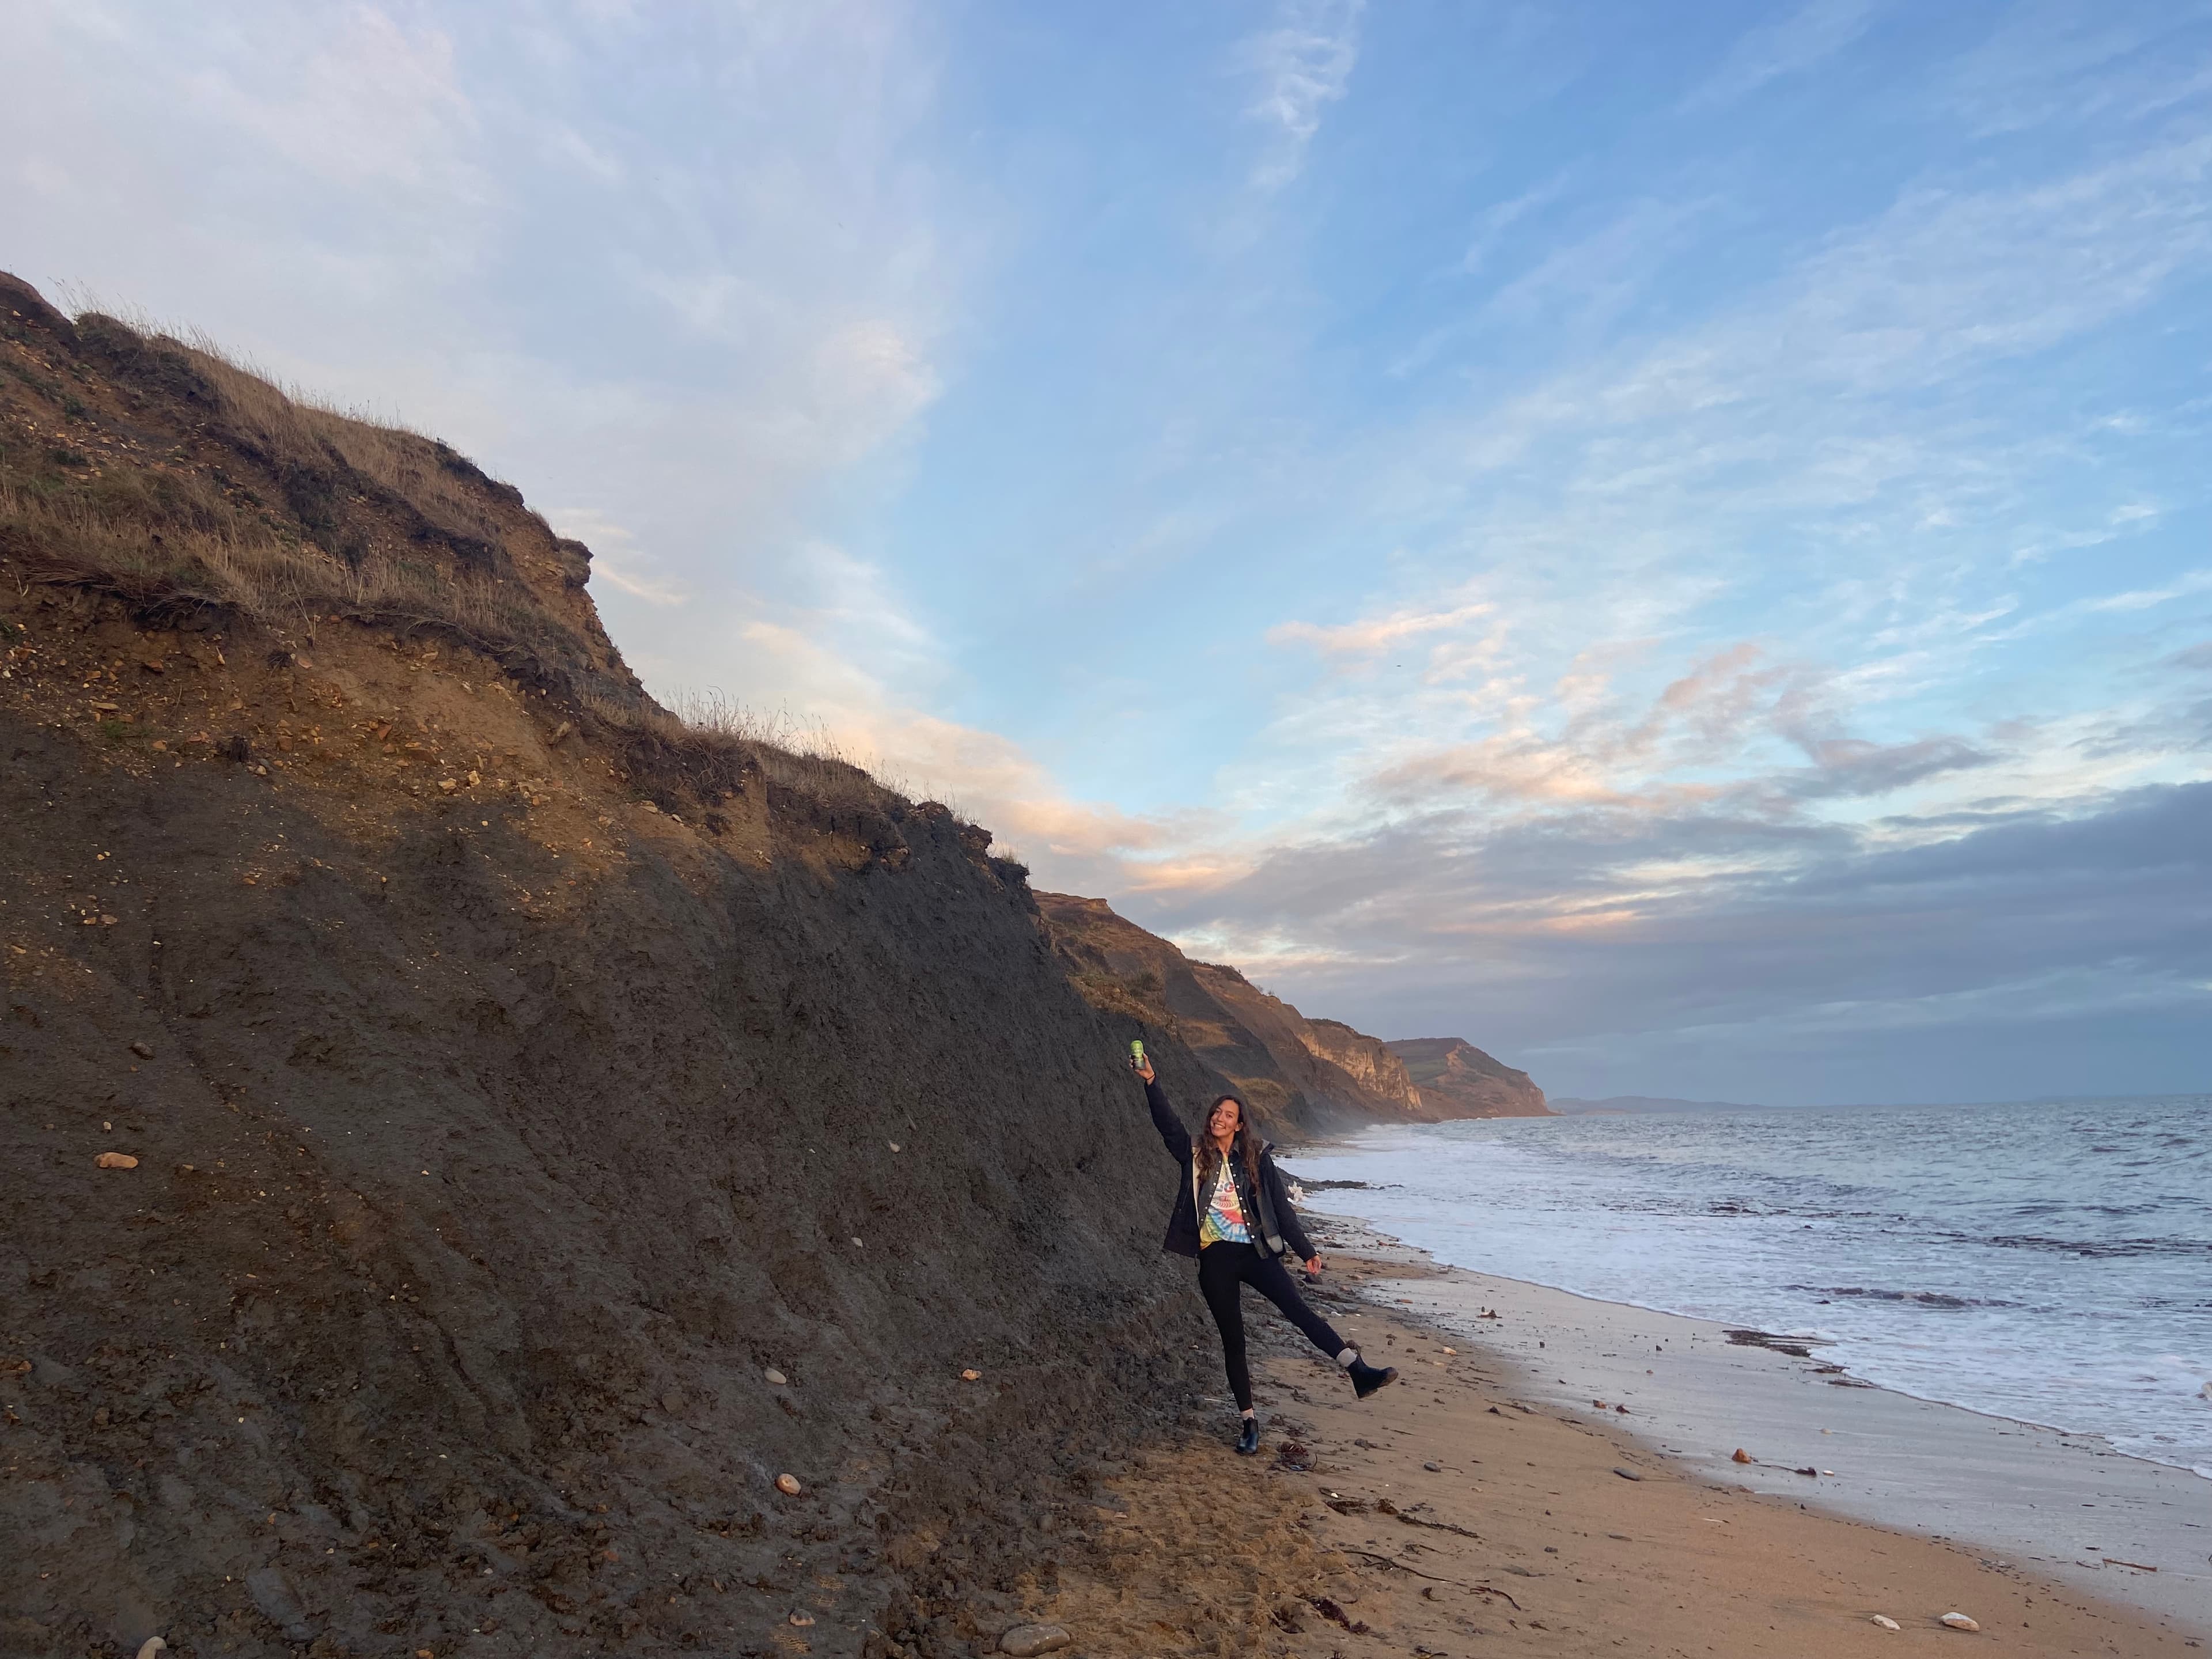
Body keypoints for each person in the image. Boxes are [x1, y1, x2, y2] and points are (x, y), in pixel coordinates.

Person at [1131, 1048, 1396, 1453]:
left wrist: (1306, 1248)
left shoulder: (1256, 1158)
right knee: (1233, 1340)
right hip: (1216, 1257)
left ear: (1239, 1127)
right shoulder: (1195, 1154)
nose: (1220, 1118)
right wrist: (1152, 1081)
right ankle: (1249, 1422)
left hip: (1256, 1252)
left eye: (1229, 1116)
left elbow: (1281, 1210)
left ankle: (1358, 1371)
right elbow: (1166, 1124)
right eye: (1217, 1113)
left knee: (1300, 1312)